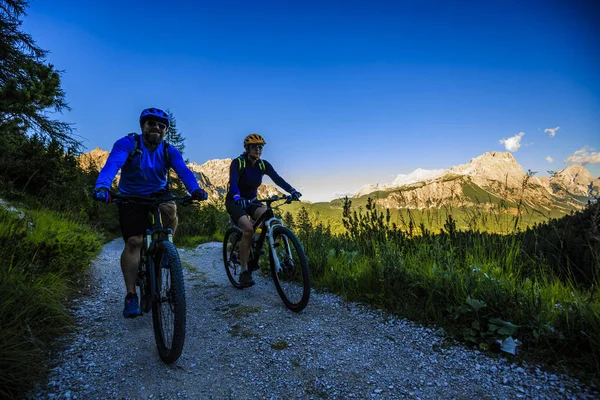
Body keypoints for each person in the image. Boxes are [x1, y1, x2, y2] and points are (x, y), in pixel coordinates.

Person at [91, 107, 208, 318]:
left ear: (165, 131)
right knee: (134, 242)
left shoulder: (168, 150)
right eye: (151, 123)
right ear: (142, 126)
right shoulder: (128, 144)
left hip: (159, 195)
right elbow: (112, 165)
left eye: (161, 126)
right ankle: (131, 295)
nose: (156, 128)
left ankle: (166, 249)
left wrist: (195, 190)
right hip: (131, 197)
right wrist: (102, 187)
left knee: (171, 209)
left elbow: (183, 171)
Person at [226, 133, 301, 287]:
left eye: (260, 147)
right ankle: (244, 271)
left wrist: (292, 190)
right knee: (248, 229)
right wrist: (236, 197)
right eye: (254, 147)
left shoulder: (263, 165)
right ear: (247, 149)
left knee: (270, 218)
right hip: (235, 201)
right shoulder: (238, 163)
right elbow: (233, 183)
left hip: (252, 201)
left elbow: (277, 179)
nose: (258, 150)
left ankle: (260, 247)